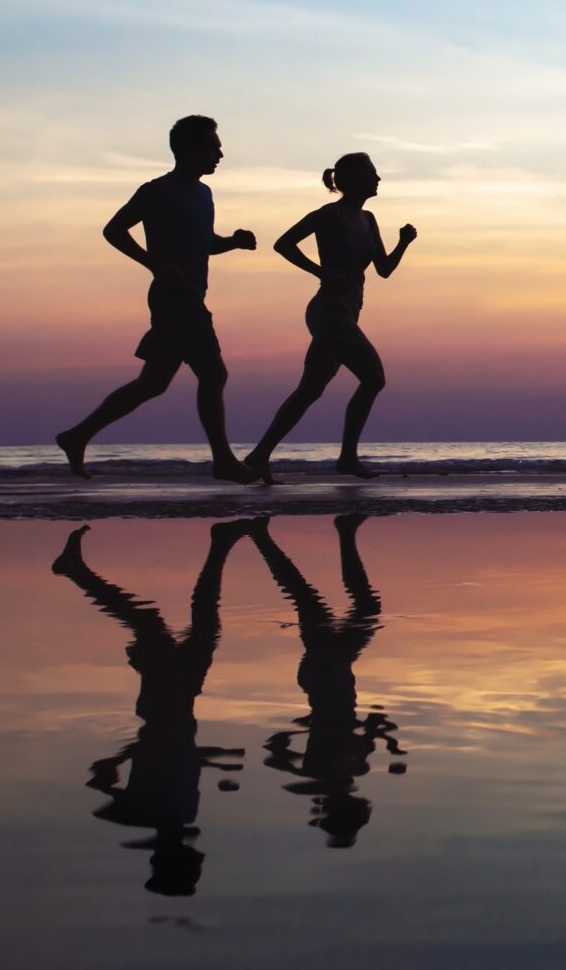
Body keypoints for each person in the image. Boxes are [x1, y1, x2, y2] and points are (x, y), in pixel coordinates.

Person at [55, 115, 261, 483]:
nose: (220, 153)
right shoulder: (157, 191)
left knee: (153, 383)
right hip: (174, 299)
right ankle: (224, 461)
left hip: (189, 296)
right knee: (213, 373)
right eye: (212, 146)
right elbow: (113, 230)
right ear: (186, 149)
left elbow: (203, 243)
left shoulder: (204, 194)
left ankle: (77, 435)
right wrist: (154, 264)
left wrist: (233, 241)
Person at [53, 521, 252, 896]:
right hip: (177, 708)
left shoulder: (152, 815)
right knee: (199, 623)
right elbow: (175, 757)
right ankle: (220, 544)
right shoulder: (174, 815)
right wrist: (215, 758)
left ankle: (76, 571)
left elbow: (151, 758)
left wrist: (114, 773)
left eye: (192, 866)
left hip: (166, 706)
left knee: (155, 623)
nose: (201, 860)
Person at [242, 152, 416, 482]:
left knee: (309, 390)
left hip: (349, 312)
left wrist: (403, 243)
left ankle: (258, 456)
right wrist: (320, 271)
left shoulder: (369, 220)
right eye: (372, 173)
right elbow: (284, 244)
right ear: (350, 180)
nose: (378, 179)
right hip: (330, 311)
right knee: (374, 377)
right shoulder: (329, 215)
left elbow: (384, 270)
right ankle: (347, 458)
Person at [246, 515, 405, 847]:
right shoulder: (352, 771)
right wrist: (390, 744)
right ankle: (340, 533)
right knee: (341, 604)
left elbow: (273, 751)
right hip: (333, 678)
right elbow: (373, 722)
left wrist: (308, 726)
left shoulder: (320, 777)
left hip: (325, 677)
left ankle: (267, 536)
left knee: (311, 599)